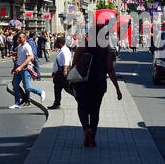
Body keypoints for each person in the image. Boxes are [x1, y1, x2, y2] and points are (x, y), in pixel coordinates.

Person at [70, 11, 122, 147]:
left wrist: (70, 80)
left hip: (82, 82)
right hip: (99, 83)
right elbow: (110, 70)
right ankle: (92, 137)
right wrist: (117, 89)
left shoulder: (83, 44)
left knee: (82, 108)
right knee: (95, 110)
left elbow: (74, 64)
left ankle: (86, 128)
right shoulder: (107, 48)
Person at [10, 30, 46, 111]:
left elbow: (30, 57)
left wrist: (20, 67)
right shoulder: (20, 46)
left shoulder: (27, 46)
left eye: (20, 38)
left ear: (25, 38)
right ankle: (17, 103)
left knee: (27, 87)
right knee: (15, 85)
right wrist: (14, 55)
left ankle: (40, 92)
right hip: (18, 68)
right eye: (18, 37)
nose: (18, 39)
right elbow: (21, 55)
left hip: (25, 69)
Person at [50, 32, 72, 109]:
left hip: (63, 71)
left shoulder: (64, 50)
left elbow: (66, 60)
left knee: (68, 88)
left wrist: (65, 70)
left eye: (56, 42)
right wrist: (54, 71)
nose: (54, 43)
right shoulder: (62, 50)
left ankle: (81, 99)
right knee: (57, 88)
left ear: (60, 43)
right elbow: (59, 62)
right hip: (60, 72)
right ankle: (56, 103)